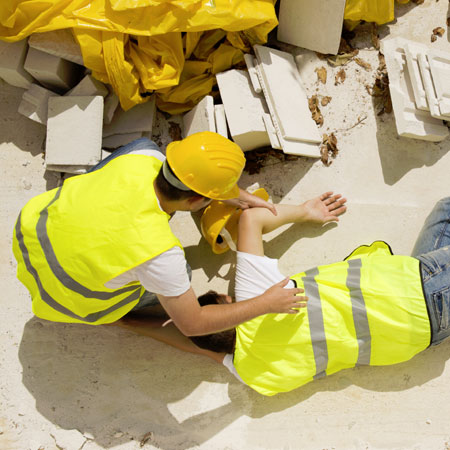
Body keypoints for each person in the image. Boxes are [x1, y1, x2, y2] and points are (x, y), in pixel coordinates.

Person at [118, 193, 450, 396]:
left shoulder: (254, 375)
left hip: (422, 337)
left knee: (445, 212)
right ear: (227, 301)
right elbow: (251, 218)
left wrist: (122, 321)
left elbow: (193, 342)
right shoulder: (257, 294)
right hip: (417, 289)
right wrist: (306, 211)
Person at [12, 132, 304, 336]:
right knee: (182, 275)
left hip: (31, 234)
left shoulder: (143, 157)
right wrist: (266, 303)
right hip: (66, 299)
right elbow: (193, 324)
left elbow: (184, 177)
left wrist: (231, 195)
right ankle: (119, 314)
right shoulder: (159, 254)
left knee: (140, 142)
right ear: (195, 201)